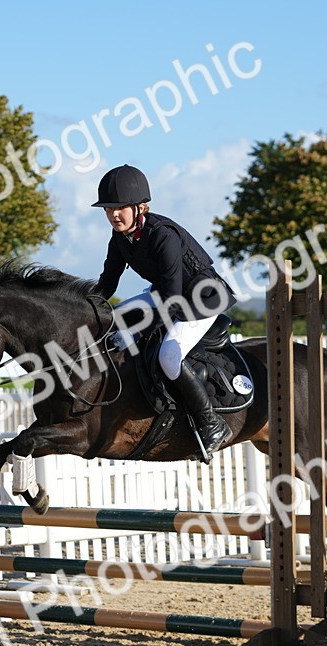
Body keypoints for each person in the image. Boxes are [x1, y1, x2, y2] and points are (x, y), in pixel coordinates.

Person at [90, 164, 236, 455]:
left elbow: (171, 299)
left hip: (202, 298)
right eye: (108, 209)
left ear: (140, 207)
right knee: (115, 319)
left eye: (119, 208)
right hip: (169, 293)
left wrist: (137, 333)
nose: (113, 215)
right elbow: (107, 284)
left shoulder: (163, 235)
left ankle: (212, 424)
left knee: (169, 356)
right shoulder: (120, 238)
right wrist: (84, 309)